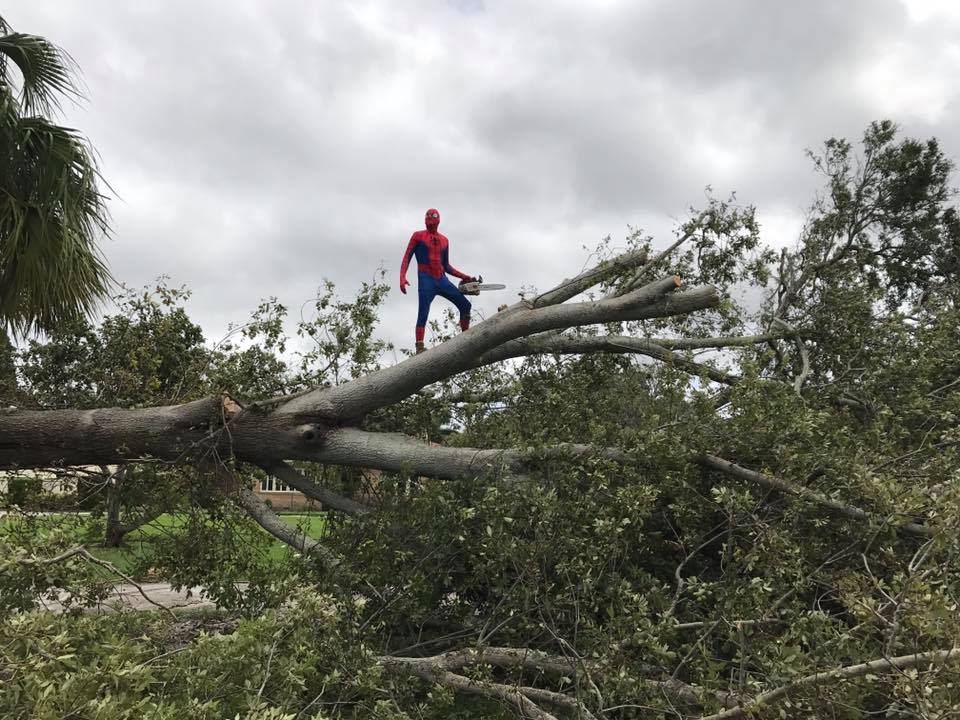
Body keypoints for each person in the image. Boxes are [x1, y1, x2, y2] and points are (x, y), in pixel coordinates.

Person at [399, 208, 476, 353]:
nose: (429, 218)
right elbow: (407, 256)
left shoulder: (444, 240)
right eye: (427, 215)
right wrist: (402, 276)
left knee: (465, 305)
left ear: (438, 220)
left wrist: (464, 277)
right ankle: (419, 346)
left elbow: (446, 266)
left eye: (432, 216)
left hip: (441, 279)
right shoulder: (418, 236)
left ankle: (466, 337)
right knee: (423, 312)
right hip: (426, 279)